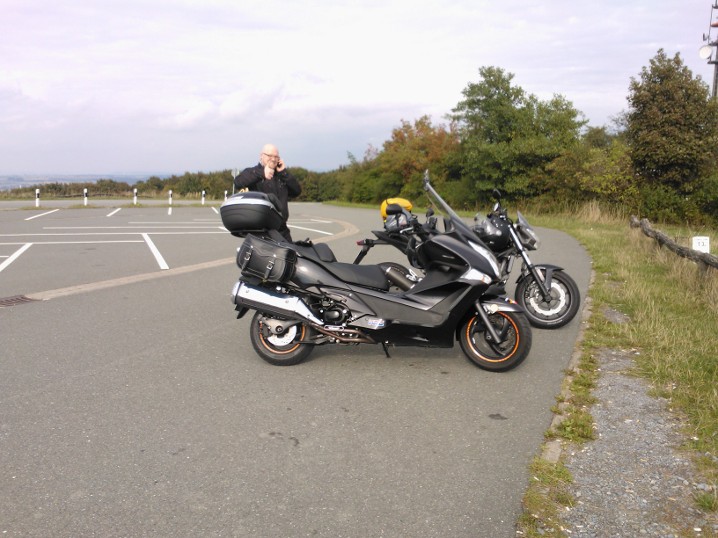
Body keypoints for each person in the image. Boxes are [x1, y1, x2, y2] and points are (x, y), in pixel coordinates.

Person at [234, 143, 301, 241]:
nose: (273, 159)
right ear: (261, 156)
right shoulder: (253, 172)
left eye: (276, 157)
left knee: (291, 251)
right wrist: (262, 173)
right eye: (269, 156)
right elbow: (238, 182)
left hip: (282, 231)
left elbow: (297, 191)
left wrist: (284, 172)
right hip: (260, 232)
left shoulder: (282, 175)